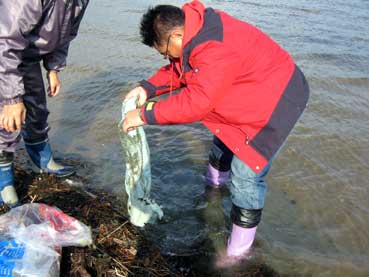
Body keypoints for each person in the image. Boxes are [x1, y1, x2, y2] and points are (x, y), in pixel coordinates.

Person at [122, 0, 309, 265]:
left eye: (165, 52)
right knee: (223, 142)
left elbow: (196, 104)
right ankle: (213, 191)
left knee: (246, 175)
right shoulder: (193, 34)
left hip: (279, 97)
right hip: (248, 88)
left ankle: (238, 252)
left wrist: (144, 115)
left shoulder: (213, 48)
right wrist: (148, 88)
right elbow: (180, 71)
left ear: (176, 35)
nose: (168, 59)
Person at [0, 0, 89, 207]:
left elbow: (67, 32)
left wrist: (53, 68)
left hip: (28, 58)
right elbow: (4, 41)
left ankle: (41, 159)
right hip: (4, 55)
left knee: (37, 111)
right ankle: (3, 180)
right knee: (8, 121)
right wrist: (12, 99)